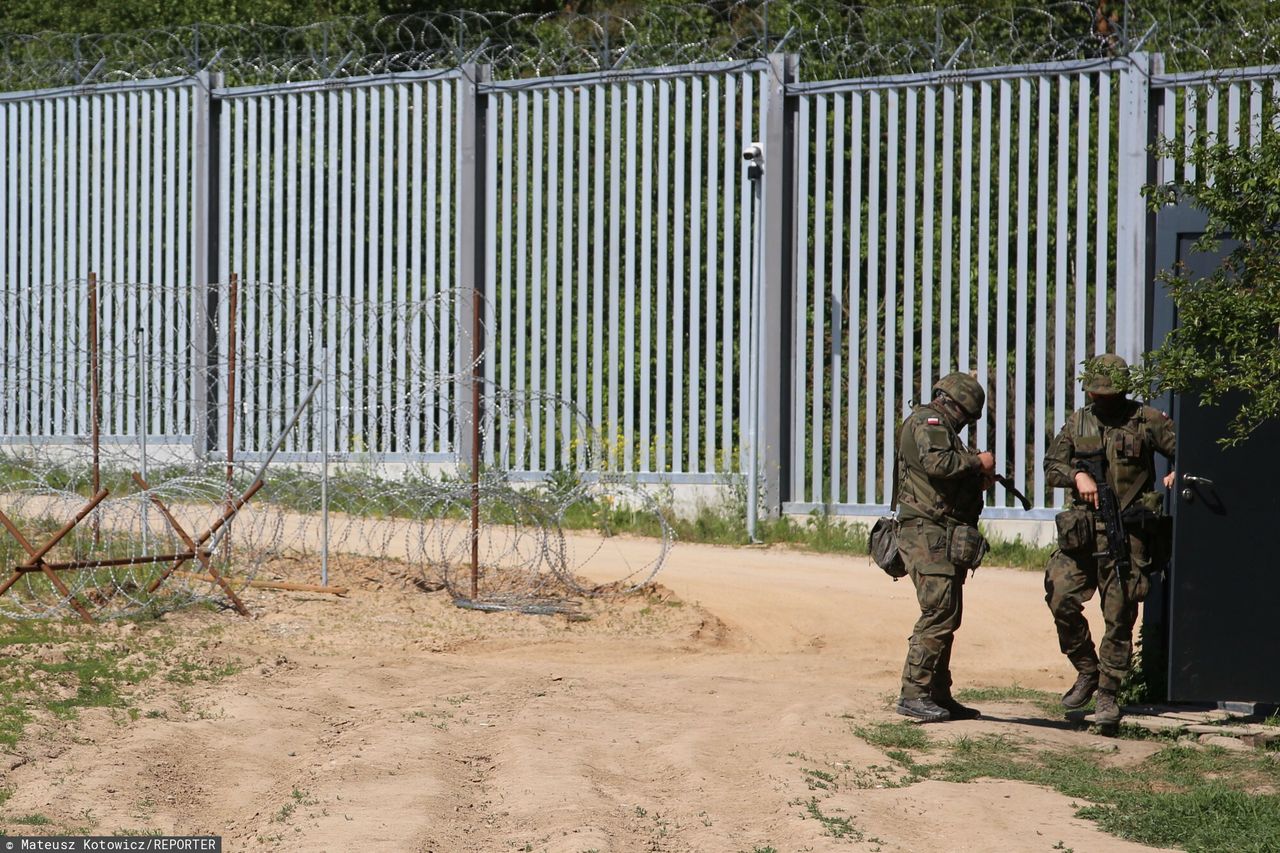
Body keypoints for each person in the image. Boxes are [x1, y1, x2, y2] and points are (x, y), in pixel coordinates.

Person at [1043, 354, 1176, 724]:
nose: (1102, 401)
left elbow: (1187, 450)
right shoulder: (1078, 421)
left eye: (1109, 394)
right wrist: (1075, 476)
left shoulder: (1145, 420)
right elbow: (1051, 466)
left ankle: (1108, 693)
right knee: (1061, 597)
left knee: (1119, 615)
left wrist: (1177, 473)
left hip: (1128, 533)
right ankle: (1087, 669)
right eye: (1096, 394)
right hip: (1082, 533)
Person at [895, 372, 996, 723]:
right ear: (955, 405)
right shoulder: (931, 421)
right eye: (967, 418)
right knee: (938, 611)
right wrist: (977, 462)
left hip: (941, 533)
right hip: (927, 531)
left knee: (948, 613)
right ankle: (914, 694)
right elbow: (938, 464)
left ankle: (937, 693)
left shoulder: (939, 426)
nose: (966, 424)